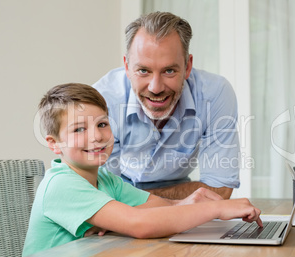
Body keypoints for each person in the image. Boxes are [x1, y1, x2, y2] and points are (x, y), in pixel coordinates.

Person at [22, 83, 262, 257]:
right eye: (79, 130)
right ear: (54, 144)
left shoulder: (106, 181)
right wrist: (217, 207)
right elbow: (141, 223)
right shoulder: (61, 184)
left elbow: (163, 208)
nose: (96, 136)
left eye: (102, 124)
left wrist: (193, 201)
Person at [93, 11, 240, 200]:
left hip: (177, 190)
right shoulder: (103, 100)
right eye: (143, 70)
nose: (155, 88)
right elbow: (102, 195)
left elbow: (220, 189)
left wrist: (133, 199)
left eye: (169, 71)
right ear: (127, 67)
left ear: (187, 67)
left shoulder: (215, 94)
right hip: (127, 185)